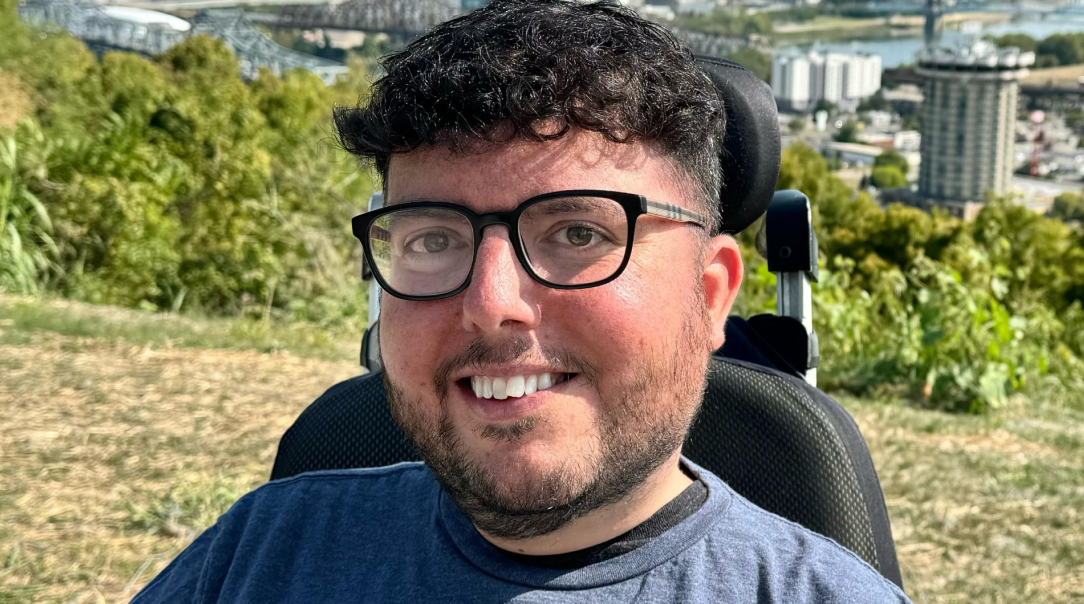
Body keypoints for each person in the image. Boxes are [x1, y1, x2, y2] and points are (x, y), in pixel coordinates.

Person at [132, 1, 911, 602]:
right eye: (433, 240)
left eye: (577, 232)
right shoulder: (262, 554)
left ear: (709, 298)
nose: (490, 301)